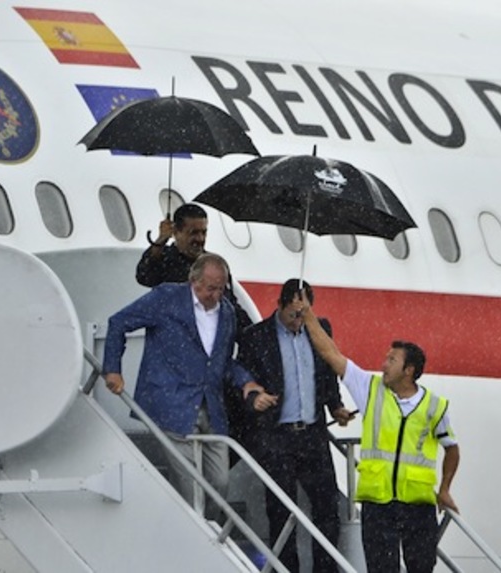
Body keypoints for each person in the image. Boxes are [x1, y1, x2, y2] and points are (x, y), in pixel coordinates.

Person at [297, 292, 460, 573]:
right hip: (378, 504)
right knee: (381, 568)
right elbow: (331, 354)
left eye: (391, 360)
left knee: (422, 567)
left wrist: (444, 489)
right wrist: (309, 316)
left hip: (417, 505)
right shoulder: (371, 390)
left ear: (408, 370)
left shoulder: (434, 407)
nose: (384, 365)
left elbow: (452, 449)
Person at [103, 253, 264, 520]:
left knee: (220, 481)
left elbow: (222, 361)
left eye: (221, 288)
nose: (216, 295)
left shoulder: (227, 312)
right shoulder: (166, 297)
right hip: (171, 401)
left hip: (210, 406)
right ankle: (198, 531)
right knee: (189, 482)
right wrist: (113, 369)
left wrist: (245, 381)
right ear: (194, 281)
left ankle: (206, 526)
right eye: (211, 288)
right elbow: (118, 322)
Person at [237, 279, 355, 573]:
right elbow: (242, 379)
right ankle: (285, 569)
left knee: (327, 508)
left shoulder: (319, 329)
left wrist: (336, 406)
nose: (297, 321)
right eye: (293, 314)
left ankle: (324, 569)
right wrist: (254, 399)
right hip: (277, 435)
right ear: (280, 305)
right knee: (281, 511)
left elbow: (326, 374)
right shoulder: (257, 337)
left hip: (313, 433)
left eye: (304, 314)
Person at [135, 203, 254, 451]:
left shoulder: (214, 265)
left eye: (203, 232)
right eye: (193, 233)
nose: (199, 239)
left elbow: (230, 306)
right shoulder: (166, 260)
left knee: (239, 424)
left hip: (211, 368)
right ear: (177, 232)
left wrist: (256, 335)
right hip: (177, 374)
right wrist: (160, 241)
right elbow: (144, 275)